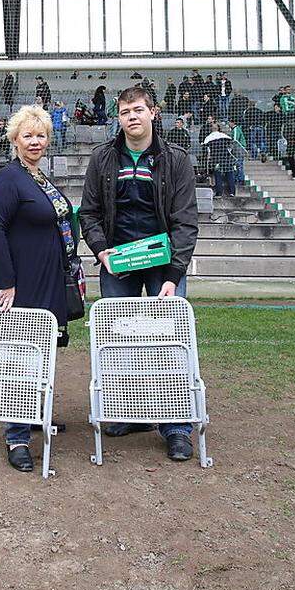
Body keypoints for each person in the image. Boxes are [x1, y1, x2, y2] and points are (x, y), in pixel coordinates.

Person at [78, 85, 199, 463]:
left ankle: (177, 426)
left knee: (169, 343)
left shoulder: (176, 159)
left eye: (138, 109)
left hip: (164, 265)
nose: (132, 116)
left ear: (153, 113)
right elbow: (89, 213)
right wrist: (101, 251)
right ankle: (131, 412)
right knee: (118, 342)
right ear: (118, 117)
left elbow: (185, 220)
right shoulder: (102, 159)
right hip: (120, 263)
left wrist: (174, 272)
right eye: (125, 110)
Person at [0, 105, 78, 473]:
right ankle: (16, 435)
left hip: (48, 279)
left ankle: (35, 416)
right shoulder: (10, 178)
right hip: (20, 283)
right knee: (19, 358)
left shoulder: (40, 178)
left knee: (43, 353)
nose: (35, 141)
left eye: (40, 136)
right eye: (28, 136)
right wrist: (6, 282)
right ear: (15, 139)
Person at [203, 124, 236, 196]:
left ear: (211, 129)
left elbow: (208, 151)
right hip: (227, 159)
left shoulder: (208, 138)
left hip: (216, 159)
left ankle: (219, 193)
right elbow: (230, 146)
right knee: (229, 175)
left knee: (218, 176)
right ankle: (232, 192)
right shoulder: (224, 136)